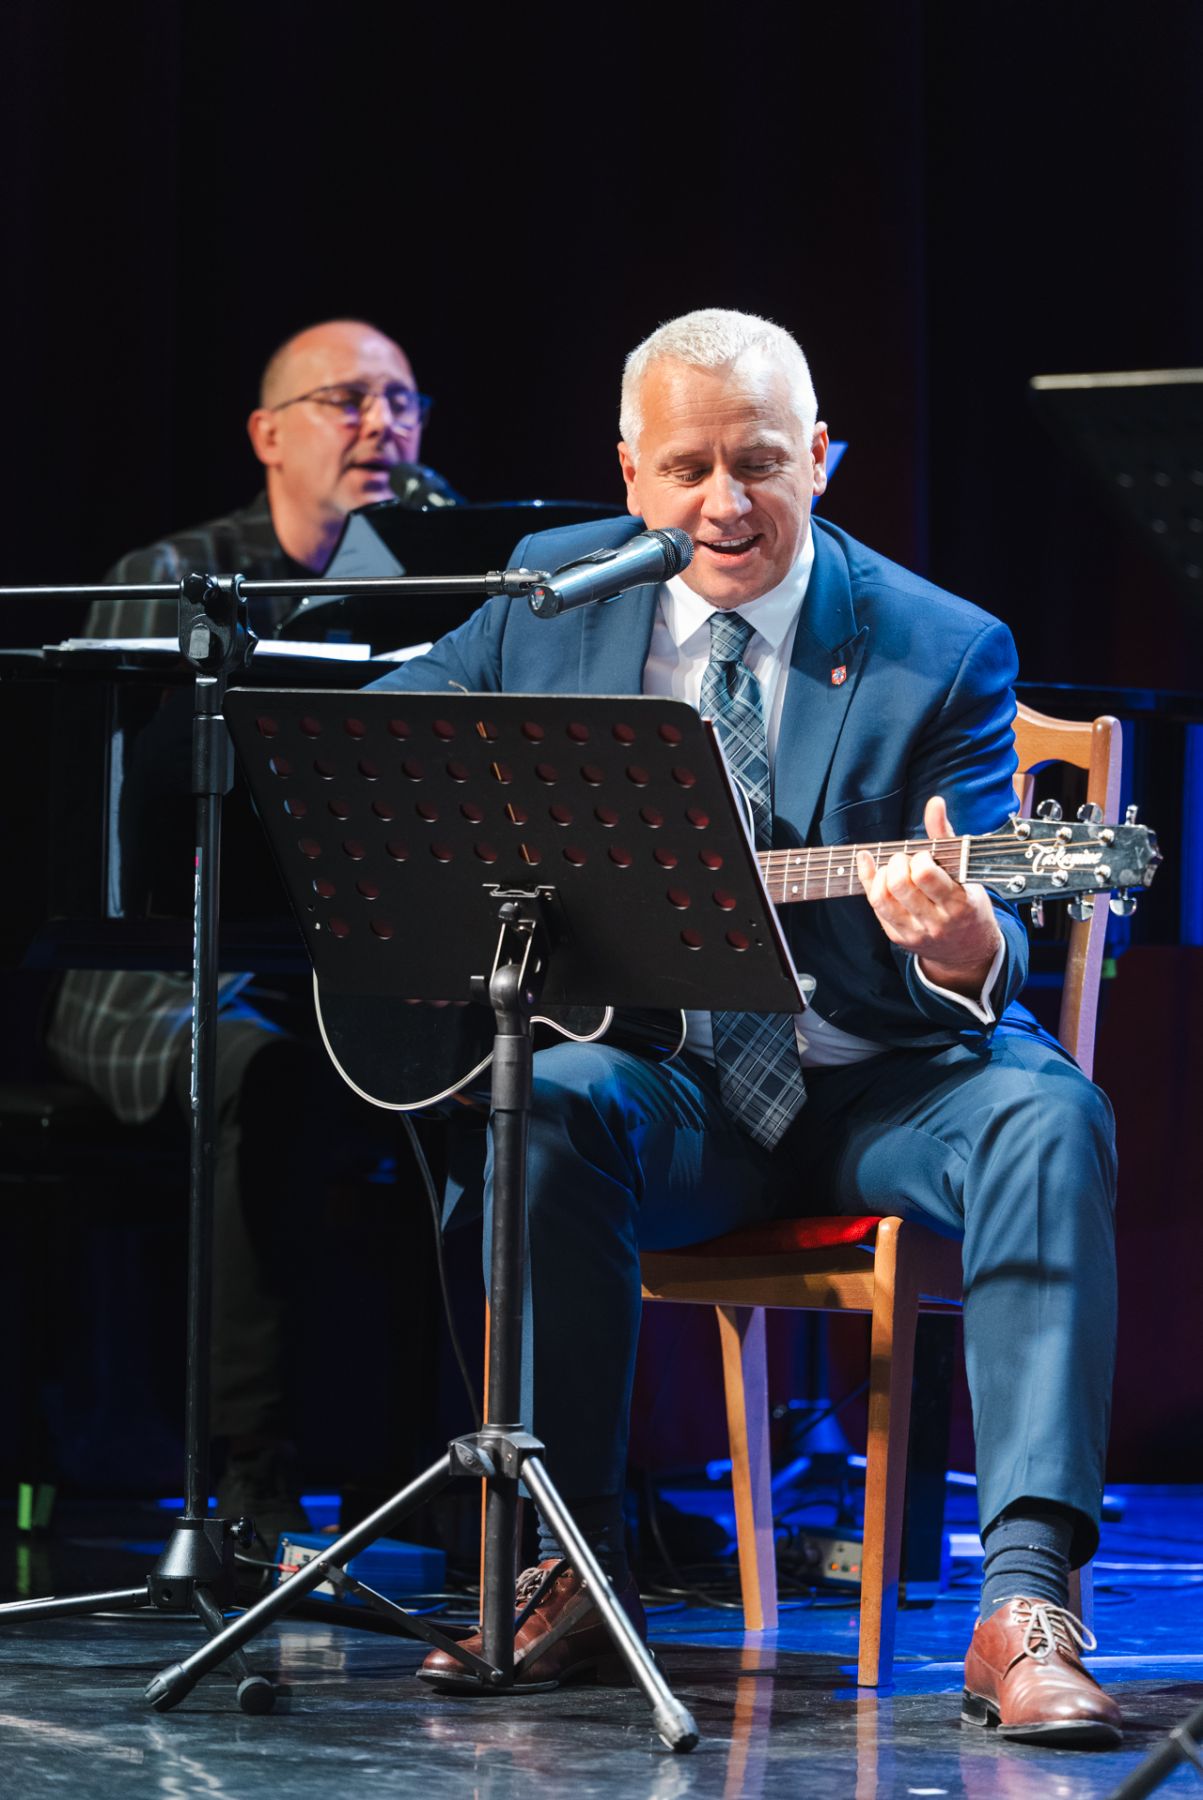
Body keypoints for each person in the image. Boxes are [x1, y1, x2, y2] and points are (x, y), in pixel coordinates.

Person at [368, 309, 1121, 1747]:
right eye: (688, 468)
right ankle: (573, 1567)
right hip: (674, 1086)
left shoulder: (937, 646)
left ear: (819, 457)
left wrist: (963, 941)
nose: (725, 503)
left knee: (1047, 1114)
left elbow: (1000, 929)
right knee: (542, 1104)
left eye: (761, 463)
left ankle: (1024, 1602)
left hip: (886, 1083)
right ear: (629, 474)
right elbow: (397, 738)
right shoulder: (553, 593)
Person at [45, 319, 458, 1540]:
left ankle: (438, 1482)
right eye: (349, 401)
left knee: (494, 1080)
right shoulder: (177, 570)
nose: (383, 427)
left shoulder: (442, 577)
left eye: (403, 402)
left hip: (339, 967)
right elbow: (107, 817)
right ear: (269, 435)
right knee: (266, 1078)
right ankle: (252, 1479)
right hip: (163, 975)